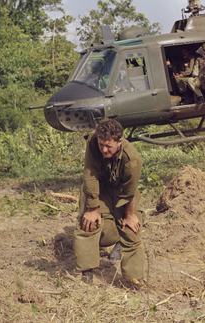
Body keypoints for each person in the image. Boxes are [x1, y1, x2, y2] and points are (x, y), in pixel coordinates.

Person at [73, 119, 145, 285]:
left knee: (130, 229)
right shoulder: (94, 140)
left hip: (123, 191)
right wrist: (92, 209)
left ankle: (135, 278)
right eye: (101, 145)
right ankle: (87, 272)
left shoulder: (132, 159)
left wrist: (128, 215)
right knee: (88, 223)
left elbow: (129, 192)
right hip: (100, 186)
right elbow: (90, 173)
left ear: (119, 141)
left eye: (108, 146)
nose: (104, 149)